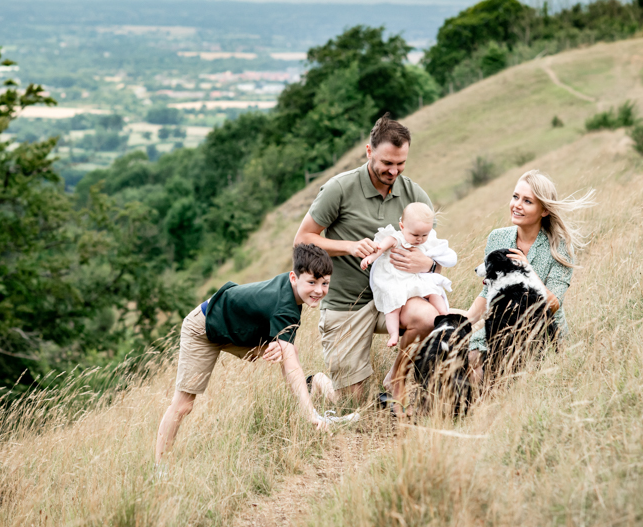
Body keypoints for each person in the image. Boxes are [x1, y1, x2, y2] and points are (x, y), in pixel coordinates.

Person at [293, 114, 440, 404]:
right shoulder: (339, 188)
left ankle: (395, 378)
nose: (394, 171)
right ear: (369, 151)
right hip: (347, 303)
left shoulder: (414, 195)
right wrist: (349, 247)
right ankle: (320, 382)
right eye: (387, 163)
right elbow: (302, 239)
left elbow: (432, 250)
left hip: (397, 297)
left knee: (430, 318)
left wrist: (429, 264)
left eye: (401, 164)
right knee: (352, 402)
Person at [154, 244, 334, 468]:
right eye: (312, 282)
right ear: (294, 277)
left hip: (235, 328)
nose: (319, 290)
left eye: (324, 283)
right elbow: (291, 364)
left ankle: (311, 387)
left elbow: (289, 358)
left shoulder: (292, 294)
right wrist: (309, 415)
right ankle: (160, 469)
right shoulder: (284, 306)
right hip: (204, 328)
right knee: (183, 406)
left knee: (288, 351)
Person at [465, 170, 595, 374]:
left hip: (540, 332)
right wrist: (461, 325)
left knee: (506, 373)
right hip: (498, 326)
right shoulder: (497, 238)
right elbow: (487, 294)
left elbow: (552, 305)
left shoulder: (560, 248)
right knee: (470, 361)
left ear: (544, 210)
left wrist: (527, 270)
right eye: (516, 197)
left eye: (527, 201)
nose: (517, 205)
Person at [360, 203, 458, 347]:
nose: (420, 239)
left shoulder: (427, 240)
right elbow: (381, 247)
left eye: (425, 235)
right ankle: (393, 334)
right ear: (402, 227)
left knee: (434, 293)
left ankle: (444, 315)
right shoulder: (397, 238)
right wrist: (371, 258)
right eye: (415, 235)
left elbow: (445, 255)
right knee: (393, 306)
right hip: (396, 281)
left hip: (415, 279)